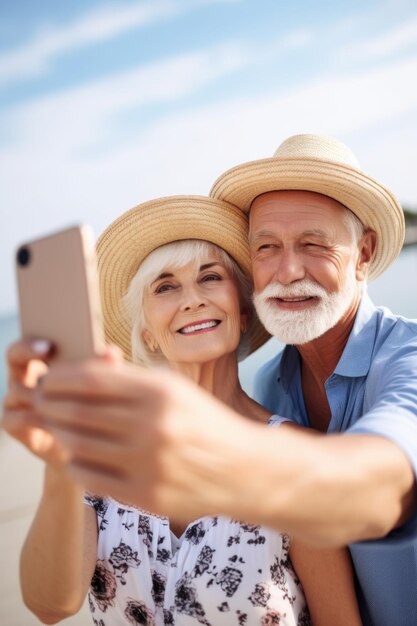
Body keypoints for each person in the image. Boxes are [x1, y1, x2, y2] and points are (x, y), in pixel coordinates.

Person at [4, 135, 416, 626]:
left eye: (314, 243)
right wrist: (60, 460)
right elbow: (49, 605)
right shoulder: (274, 382)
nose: (192, 300)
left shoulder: (383, 378)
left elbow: (382, 485)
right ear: (146, 334)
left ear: (243, 313)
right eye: (165, 286)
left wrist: (206, 452)